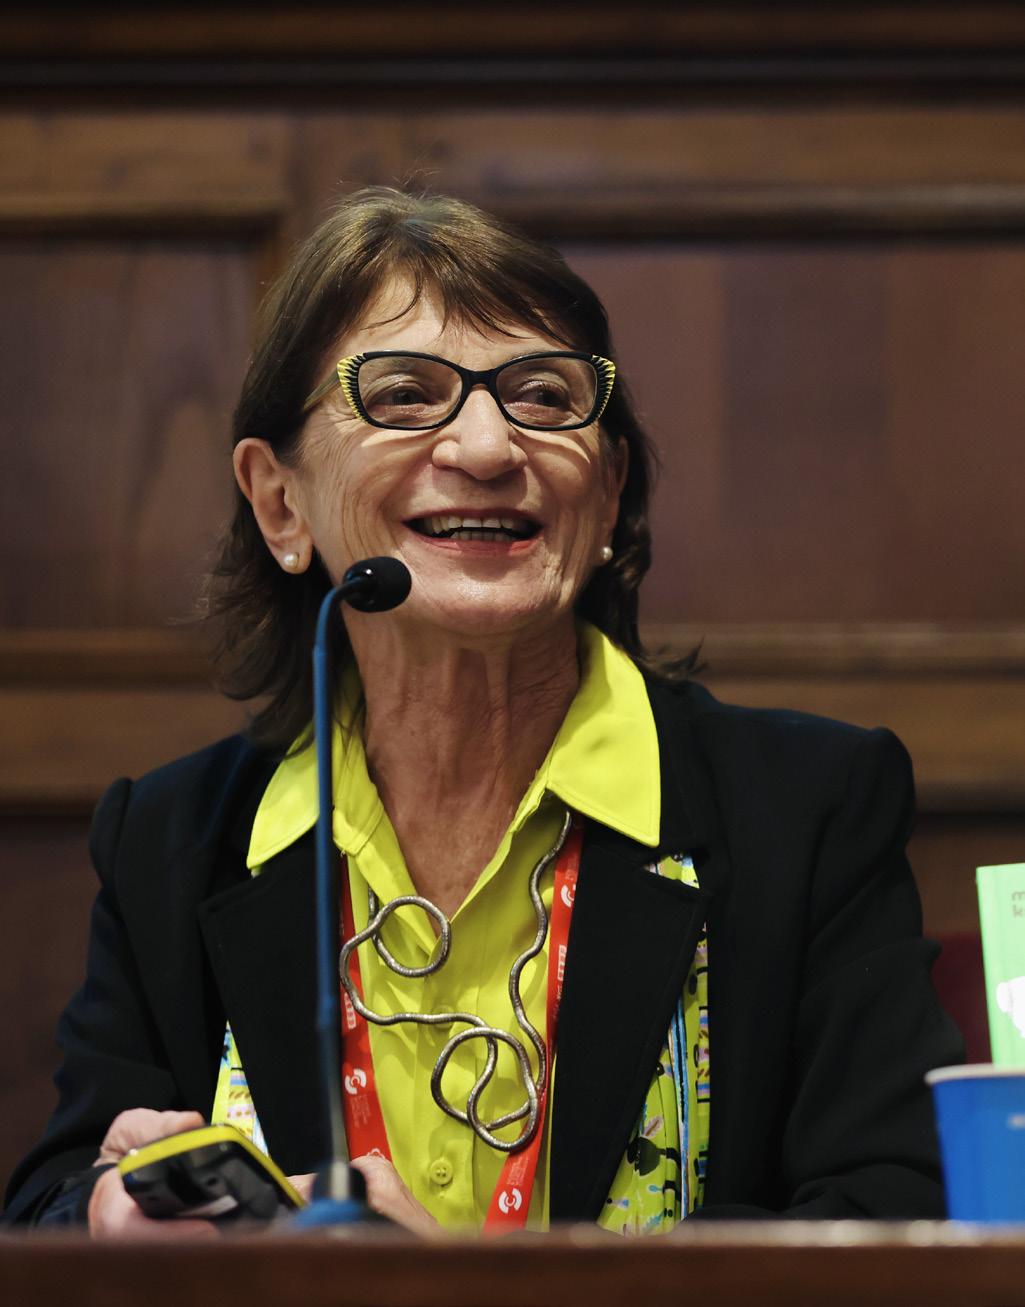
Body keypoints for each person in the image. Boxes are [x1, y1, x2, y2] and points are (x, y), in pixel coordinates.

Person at [4, 187, 962, 1236]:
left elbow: (891, 1213)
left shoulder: (807, 811)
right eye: (404, 394)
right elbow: (48, 1200)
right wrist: (105, 1211)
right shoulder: (172, 842)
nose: (486, 446)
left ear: (607, 490)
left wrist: (484, 1294)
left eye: (543, 396)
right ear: (279, 501)